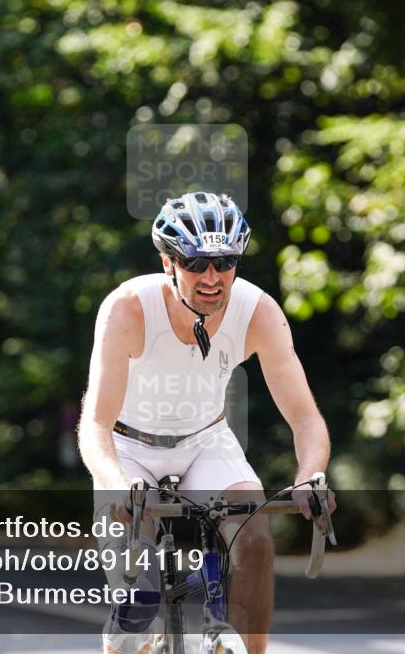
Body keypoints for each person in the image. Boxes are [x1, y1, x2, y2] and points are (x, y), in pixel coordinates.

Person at [78, 192, 336, 654]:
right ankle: (129, 633)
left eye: (225, 261)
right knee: (140, 599)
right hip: (128, 450)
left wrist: (309, 476)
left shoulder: (257, 311)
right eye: (197, 264)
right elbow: (95, 424)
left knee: (254, 536)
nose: (213, 278)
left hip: (205, 440)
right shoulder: (127, 308)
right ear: (168, 262)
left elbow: (305, 418)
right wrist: (114, 482)